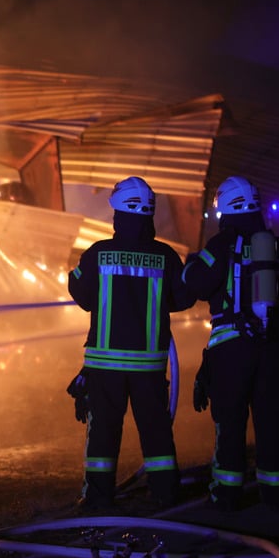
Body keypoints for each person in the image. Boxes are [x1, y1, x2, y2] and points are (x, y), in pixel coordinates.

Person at [182, 176, 279, 511]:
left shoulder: (222, 245)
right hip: (272, 346)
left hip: (231, 348)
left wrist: (191, 262)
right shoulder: (277, 246)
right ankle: (274, 493)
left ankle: (227, 495)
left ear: (226, 209)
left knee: (230, 422)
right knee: (271, 420)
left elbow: (196, 283)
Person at [67, 176, 196, 510]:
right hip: (149, 367)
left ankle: (97, 499)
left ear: (118, 215)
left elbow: (81, 294)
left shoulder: (98, 254)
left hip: (105, 366)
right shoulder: (165, 256)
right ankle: (166, 493)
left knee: (103, 434)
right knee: (156, 431)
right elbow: (182, 299)